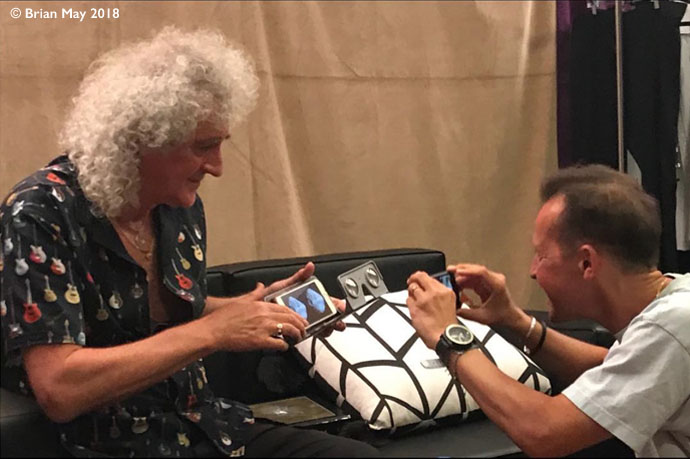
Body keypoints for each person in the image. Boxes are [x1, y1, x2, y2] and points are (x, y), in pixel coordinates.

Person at [0, 27, 378, 458]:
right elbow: (59, 387)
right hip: (109, 443)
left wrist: (251, 310)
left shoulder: (178, 207)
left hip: (202, 424)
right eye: (204, 146)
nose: (217, 166)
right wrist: (212, 333)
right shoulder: (39, 212)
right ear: (143, 140)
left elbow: (156, 309)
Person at [405, 164, 689, 457]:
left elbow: (544, 431)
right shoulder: (674, 309)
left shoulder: (672, 325)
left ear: (587, 263)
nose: (532, 271)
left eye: (541, 256)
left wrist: (449, 337)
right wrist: (514, 320)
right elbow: (615, 366)